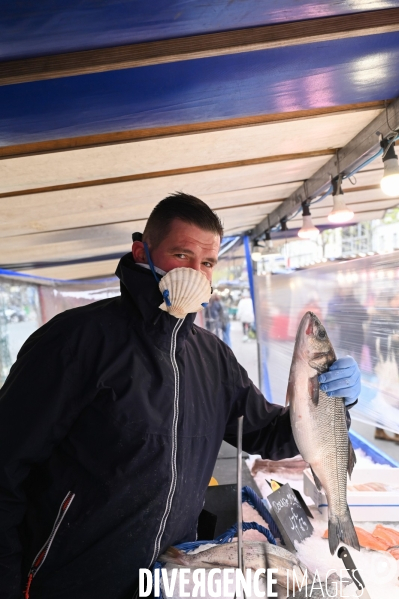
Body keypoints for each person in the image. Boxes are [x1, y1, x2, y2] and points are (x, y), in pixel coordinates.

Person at [0, 193, 361, 599]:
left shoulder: (213, 357)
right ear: (142, 252)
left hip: (167, 574)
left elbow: (271, 435)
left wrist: (332, 403)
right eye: (181, 255)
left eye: (206, 263)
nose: (196, 272)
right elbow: (7, 464)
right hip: (71, 579)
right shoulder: (76, 340)